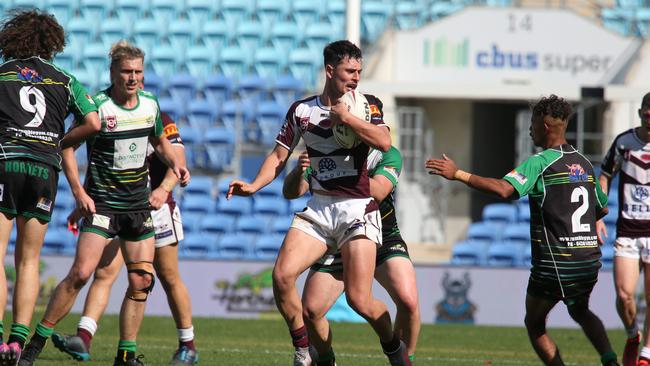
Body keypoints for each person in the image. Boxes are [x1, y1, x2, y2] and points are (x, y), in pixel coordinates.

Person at [227, 40, 411, 366]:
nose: (355, 77)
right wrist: (254, 185)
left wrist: (349, 119)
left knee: (359, 300)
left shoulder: (366, 105)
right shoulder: (302, 111)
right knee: (285, 279)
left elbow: (384, 141)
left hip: (357, 208)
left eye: (358, 71)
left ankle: (395, 350)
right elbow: (278, 156)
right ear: (330, 70)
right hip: (321, 207)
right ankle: (304, 353)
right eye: (349, 71)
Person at [18, 40, 190, 366]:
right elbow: (65, 146)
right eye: (126, 71)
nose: (133, 78)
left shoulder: (150, 105)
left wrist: (174, 164)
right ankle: (34, 346)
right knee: (82, 273)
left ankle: (125, 355)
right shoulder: (96, 107)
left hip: (138, 206)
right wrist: (78, 194)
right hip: (103, 205)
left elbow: (159, 141)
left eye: (138, 71)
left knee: (141, 280)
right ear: (113, 72)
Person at [426, 94, 619, 366]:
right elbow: (602, 207)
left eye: (533, 123)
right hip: (588, 261)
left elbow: (505, 189)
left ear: (546, 126)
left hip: (556, 263)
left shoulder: (540, 162)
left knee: (534, 323)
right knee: (580, 310)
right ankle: (610, 360)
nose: (530, 129)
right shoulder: (585, 164)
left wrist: (458, 174)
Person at [49, 111, 198, 365]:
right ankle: (84, 337)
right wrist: (84, 200)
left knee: (167, 275)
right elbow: (102, 167)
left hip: (158, 209)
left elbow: (179, 161)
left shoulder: (160, 117)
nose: (132, 82)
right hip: (120, 207)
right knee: (105, 272)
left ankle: (188, 345)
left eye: (136, 74)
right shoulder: (110, 116)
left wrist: (163, 190)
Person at [0, 9, 101, 366]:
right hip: (44, 168)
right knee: (28, 261)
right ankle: (16, 341)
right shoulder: (64, 79)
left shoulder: (3, 74)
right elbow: (94, 122)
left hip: (6, 161)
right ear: (53, 42)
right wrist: (60, 140)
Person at [283, 147, 420, 366]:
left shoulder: (387, 153)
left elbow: (379, 190)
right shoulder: (326, 147)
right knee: (311, 311)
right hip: (338, 239)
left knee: (408, 301)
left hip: (384, 236)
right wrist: (299, 171)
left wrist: (340, 172)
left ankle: (401, 356)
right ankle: (327, 360)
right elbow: (291, 192)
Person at [597, 92, 650, 366]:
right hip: (628, 231)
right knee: (624, 294)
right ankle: (632, 335)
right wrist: (598, 210)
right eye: (647, 115)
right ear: (641, 112)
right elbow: (605, 174)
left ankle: (646, 354)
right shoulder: (624, 142)